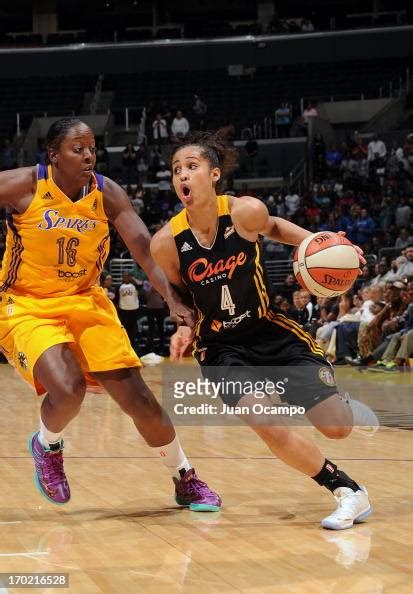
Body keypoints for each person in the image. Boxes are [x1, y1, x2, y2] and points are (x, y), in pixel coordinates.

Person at [151, 130, 378, 530]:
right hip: (221, 348)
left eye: (192, 166)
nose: (182, 176)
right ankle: (347, 491)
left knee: (337, 427)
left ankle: (338, 404)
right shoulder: (167, 242)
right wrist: (180, 318)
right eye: (175, 170)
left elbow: (274, 227)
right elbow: (178, 289)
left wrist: (326, 245)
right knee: (267, 422)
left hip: (270, 330)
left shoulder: (244, 212)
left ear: (214, 174)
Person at [0, 117, 220, 511]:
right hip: (27, 304)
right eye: (77, 148)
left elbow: (146, 251)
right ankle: (47, 445)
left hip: (86, 301)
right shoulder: (24, 184)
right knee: (68, 389)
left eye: (92, 148)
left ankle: (184, 477)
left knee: (141, 402)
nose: (88, 155)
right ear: (53, 154)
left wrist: (171, 299)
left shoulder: (107, 194)